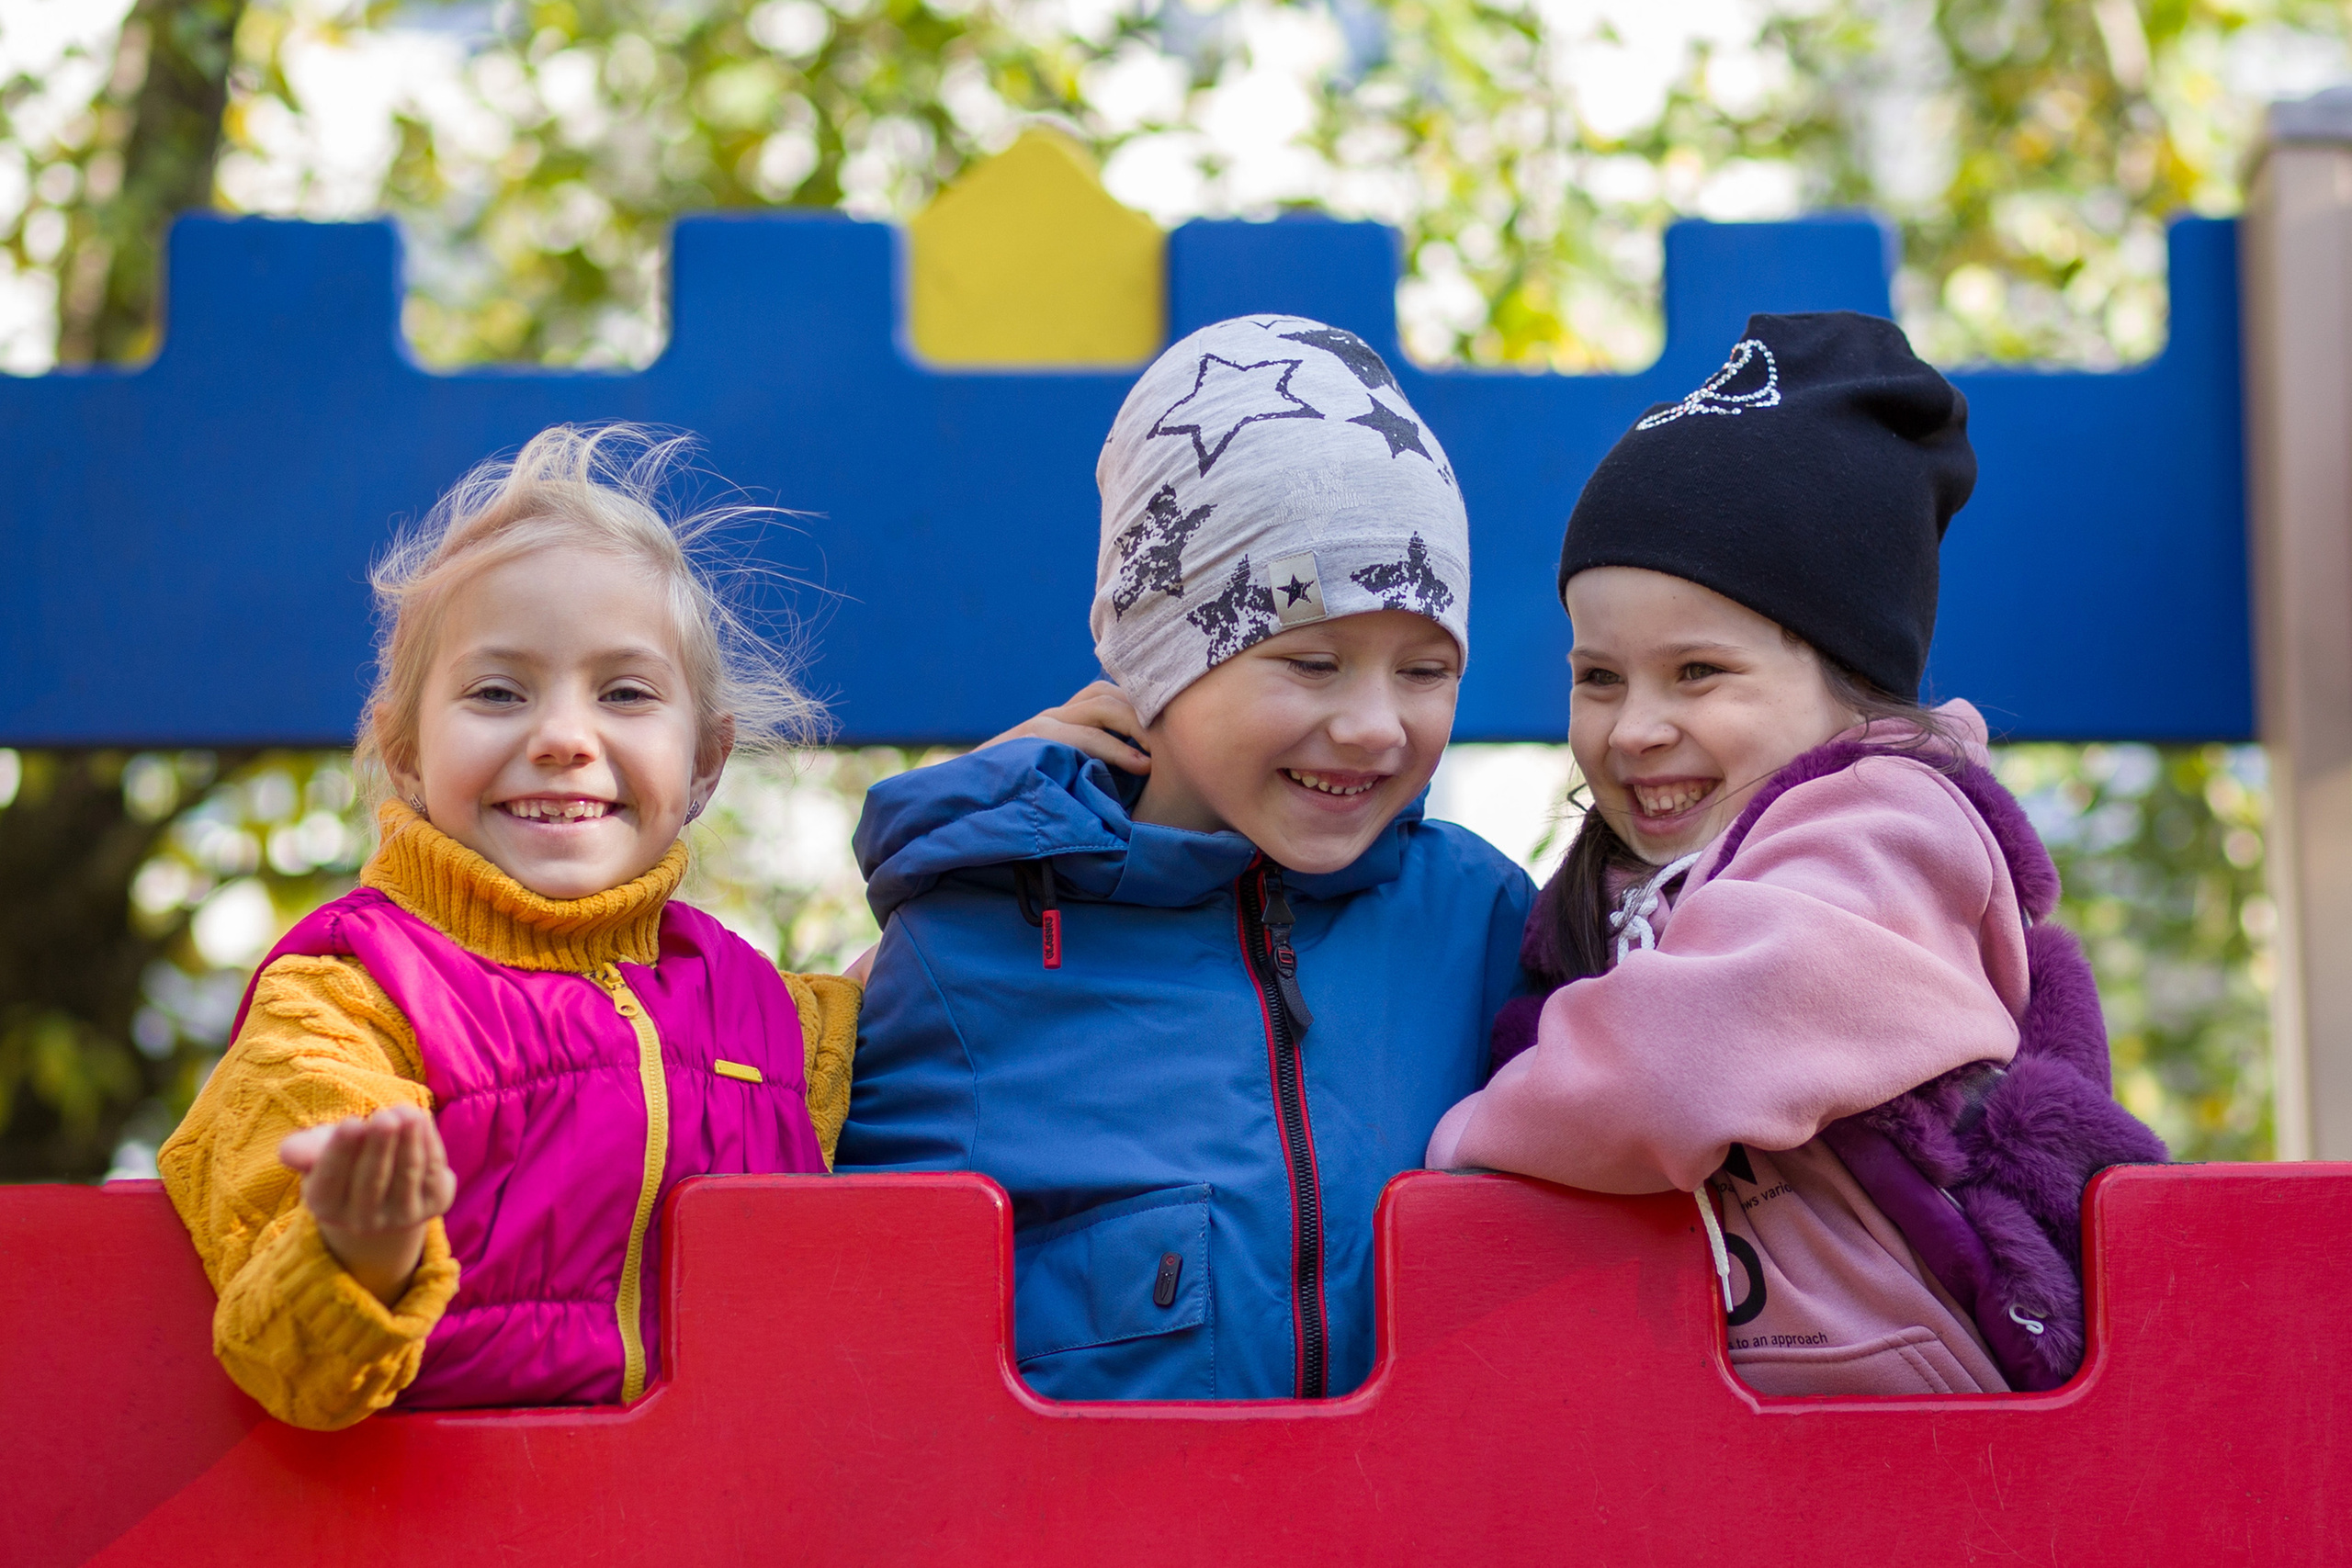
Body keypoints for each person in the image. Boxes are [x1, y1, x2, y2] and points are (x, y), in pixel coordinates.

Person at [1427, 312, 2165, 1397]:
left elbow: (1683, 1063)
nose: (1634, 728)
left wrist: (1452, 1153)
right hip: (1747, 1420)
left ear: (1846, 683)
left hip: (1922, 1419)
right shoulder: (1631, 883)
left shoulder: (1885, 836)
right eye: (1599, 678)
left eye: (1697, 673)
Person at [836, 316, 1533, 1402]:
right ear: (1161, 662)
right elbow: (854, 1322)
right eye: (1311, 662)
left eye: (1424, 669)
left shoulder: (1478, 921)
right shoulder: (973, 945)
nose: (1374, 726)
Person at [159, 425, 859, 1430]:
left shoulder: (772, 1017)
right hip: (456, 1523)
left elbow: (951, 979)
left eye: (624, 693)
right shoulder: (347, 998)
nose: (564, 739)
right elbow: (285, 1357)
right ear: (404, 756)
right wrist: (358, 1249)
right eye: (498, 693)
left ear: (706, 762)